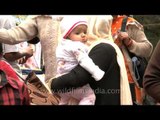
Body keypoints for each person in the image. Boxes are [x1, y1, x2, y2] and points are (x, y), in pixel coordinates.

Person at [50, 15, 132, 105]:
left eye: (85, 30)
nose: (84, 34)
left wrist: (53, 84)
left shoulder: (102, 48)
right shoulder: (103, 46)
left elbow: (79, 77)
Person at [56, 16, 105, 105]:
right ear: (67, 34)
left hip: (62, 84)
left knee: (64, 101)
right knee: (89, 97)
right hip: (75, 85)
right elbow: (84, 61)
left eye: (85, 32)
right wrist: (96, 72)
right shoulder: (77, 47)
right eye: (78, 33)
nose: (83, 35)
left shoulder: (61, 47)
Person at [0, 15, 62, 81]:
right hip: (52, 79)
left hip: (69, 75)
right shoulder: (39, 17)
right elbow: (13, 36)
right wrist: (26, 50)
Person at [111, 15, 153, 105]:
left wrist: (129, 43)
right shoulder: (93, 24)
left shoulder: (128, 23)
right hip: (106, 85)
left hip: (130, 83)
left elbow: (148, 49)